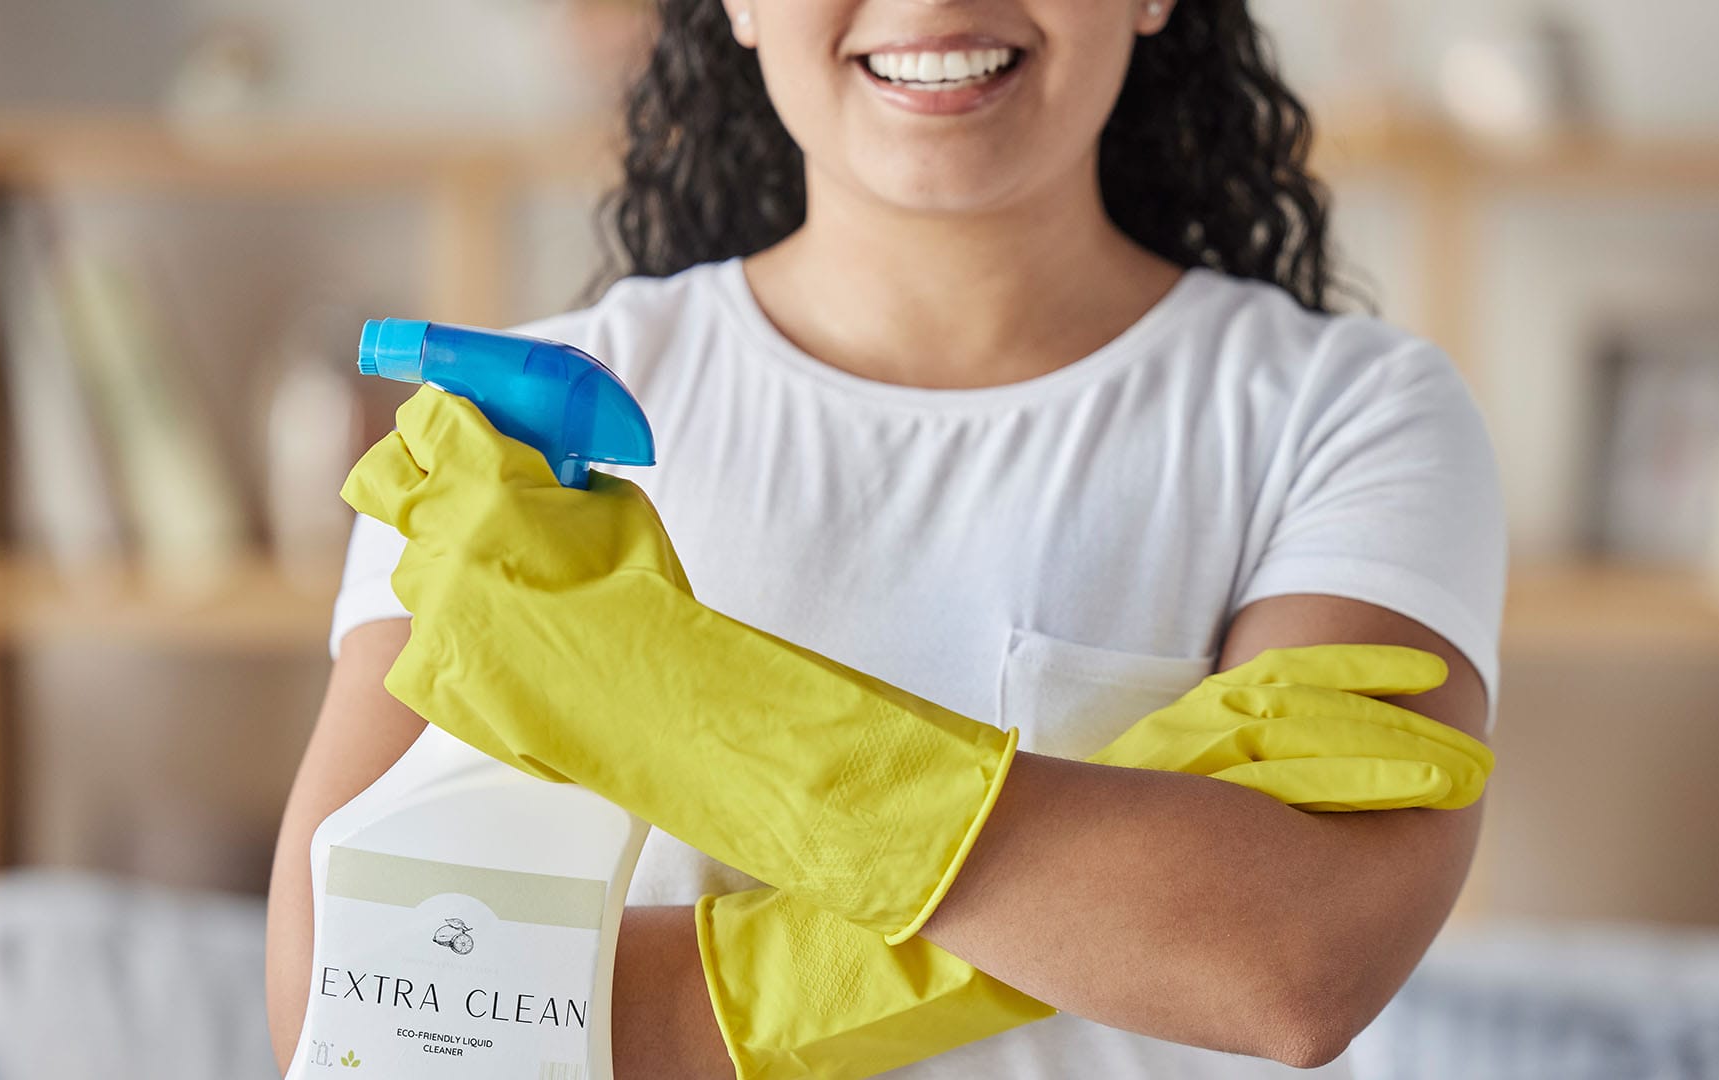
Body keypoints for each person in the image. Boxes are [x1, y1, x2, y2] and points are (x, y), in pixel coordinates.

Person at [266, 0, 1506, 1076]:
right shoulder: (519, 424)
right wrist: (1127, 906)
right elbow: (346, 1014)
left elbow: (1289, 964)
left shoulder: (1350, 414)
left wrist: (667, 701)